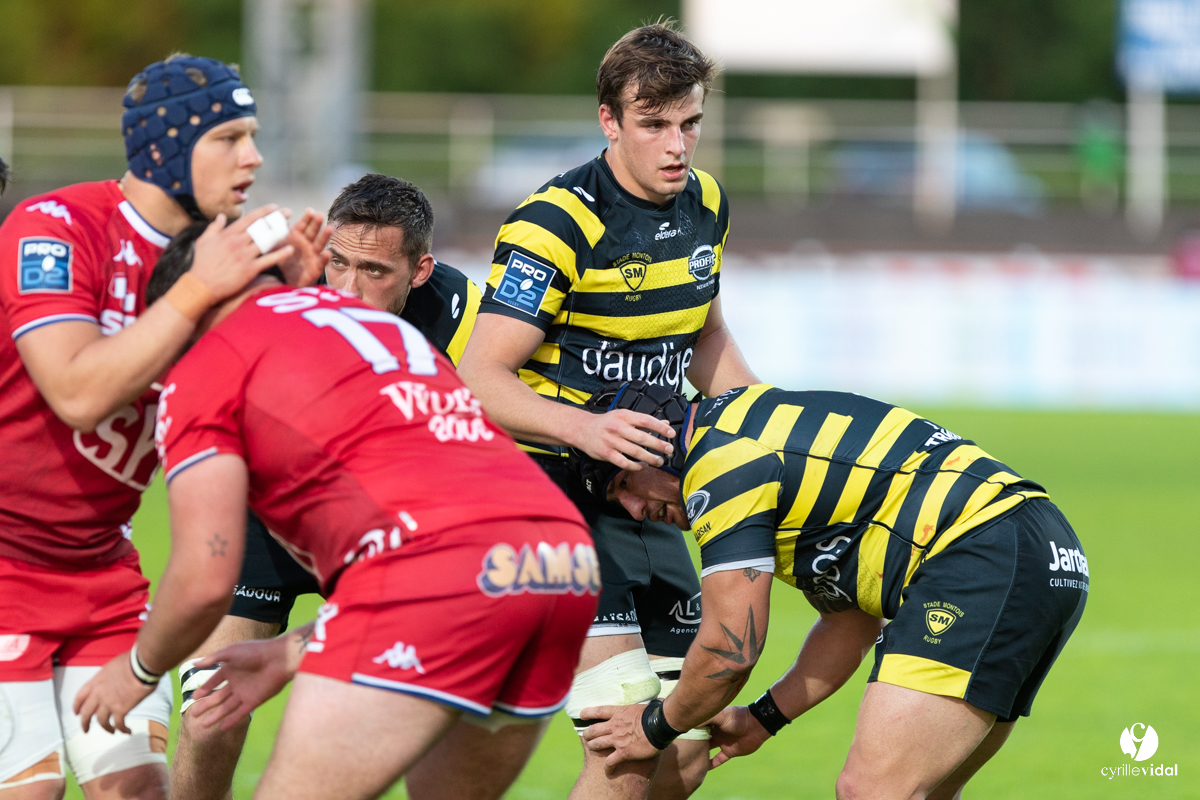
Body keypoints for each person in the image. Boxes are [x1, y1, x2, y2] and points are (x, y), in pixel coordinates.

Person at [72, 227, 599, 800]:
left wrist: (138, 671)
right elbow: (446, 538)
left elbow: (205, 576)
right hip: (560, 561)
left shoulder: (209, 363)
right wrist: (289, 650)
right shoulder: (380, 328)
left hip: (439, 575)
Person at [0, 55, 325, 800]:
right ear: (167, 145)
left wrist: (296, 312)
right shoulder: (56, 225)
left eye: (255, 137)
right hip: (5, 564)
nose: (256, 158)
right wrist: (204, 291)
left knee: (139, 791)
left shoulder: (239, 262)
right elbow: (77, 393)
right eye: (231, 137)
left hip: (100, 571)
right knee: (31, 790)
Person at [457, 22, 757, 799]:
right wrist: (588, 429)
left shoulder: (707, 204)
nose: (676, 145)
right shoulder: (556, 221)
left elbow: (707, 338)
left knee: (683, 752)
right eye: (653, 125)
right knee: (623, 749)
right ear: (608, 120)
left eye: (689, 123)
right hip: (553, 501)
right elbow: (480, 376)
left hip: (651, 497)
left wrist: (763, 435)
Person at [574, 382, 1089, 800]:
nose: (635, 511)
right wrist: (763, 718)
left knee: (872, 791)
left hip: (981, 553)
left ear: (654, 445)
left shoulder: (720, 464)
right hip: (1042, 550)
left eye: (623, 483)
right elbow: (850, 623)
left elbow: (731, 648)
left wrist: (654, 725)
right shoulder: (743, 435)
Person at [171, 173, 482, 800]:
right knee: (209, 712)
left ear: (420, 270)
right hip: (268, 517)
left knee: (394, 726)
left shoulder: (467, 315)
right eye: (338, 262)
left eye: (374, 272)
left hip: (383, 533)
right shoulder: (276, 279)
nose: (346, 287)